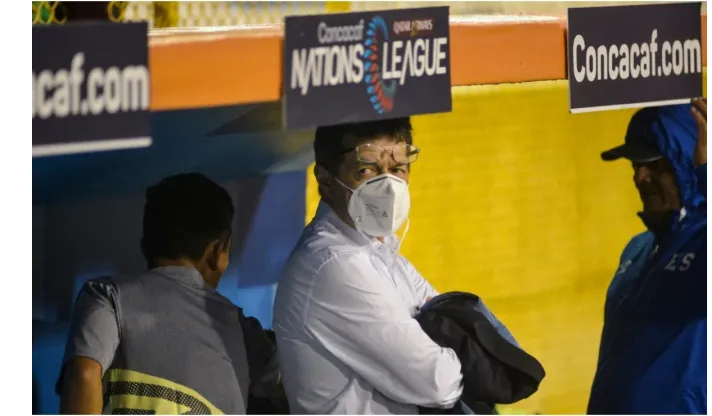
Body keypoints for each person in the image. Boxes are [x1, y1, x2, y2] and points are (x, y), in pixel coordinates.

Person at [273, 118, 464, 414]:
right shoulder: (334, 264)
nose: (387, 187)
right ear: (325, 179)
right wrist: (454, 356)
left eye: (397, 169)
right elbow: (439, 383)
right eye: (367, 171)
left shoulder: (381, 251)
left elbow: (456, 322)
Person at [57, 173, 281, 414]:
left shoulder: (107, 296)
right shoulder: (241, 330)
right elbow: (294, 378)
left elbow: (84, 373)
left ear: (145, 246)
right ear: (217, 252)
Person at [587, 99, 707, 414]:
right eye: (635, 166)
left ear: (689, 164)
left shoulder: (704, 244)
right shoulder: (637, 250)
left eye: (655, 165)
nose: (640, 177)